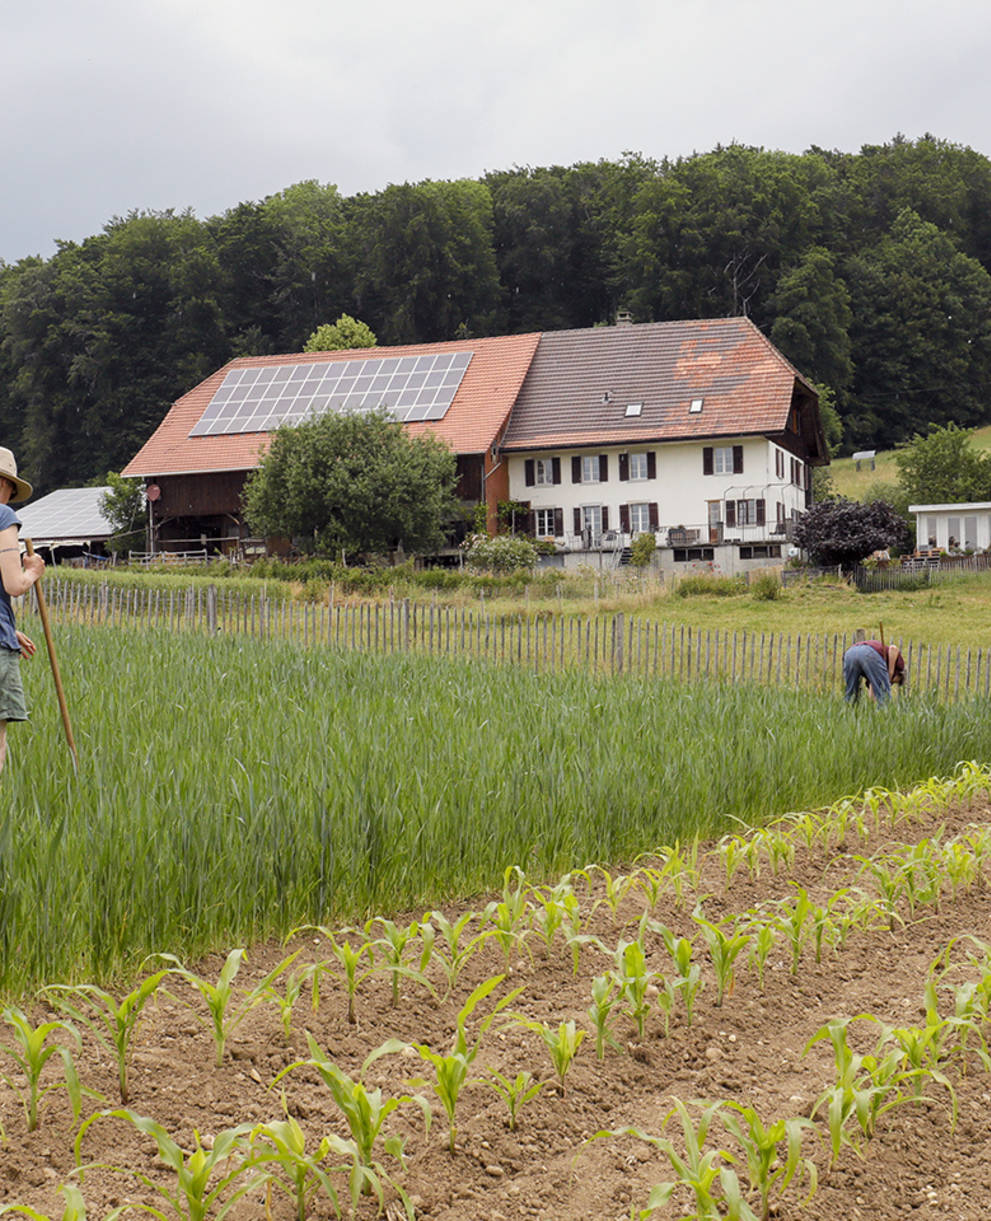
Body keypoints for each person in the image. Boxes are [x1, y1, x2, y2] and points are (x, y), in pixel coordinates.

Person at [0, 449, 44, 772]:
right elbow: (14, 585)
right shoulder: (2, 517)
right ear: (4, 485)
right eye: (10, 492)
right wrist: (33, 572)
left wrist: (9, 628)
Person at [843, 638, 905, 705]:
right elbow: (893, 648)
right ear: (899, 674)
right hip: (869, 653)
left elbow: (873, 688)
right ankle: (884, 713)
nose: (891, 683)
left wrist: (871, 705)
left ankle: (849, 710)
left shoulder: (877, 670)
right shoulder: (900, 666)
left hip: (850, 653)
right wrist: (890, 673)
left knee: (852, 694)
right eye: (894, 681)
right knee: (884, 694)